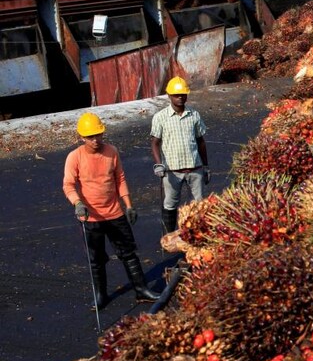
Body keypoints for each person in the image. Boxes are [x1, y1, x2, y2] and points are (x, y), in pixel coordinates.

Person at [63, 112, 160, 307]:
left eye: (98, 135)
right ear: (81, 137)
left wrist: (129, 205)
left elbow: (120, 179)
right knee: (96, 259)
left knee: (129, 252)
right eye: (90, 137)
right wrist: (77, 203)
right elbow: (68, 185)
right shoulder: (75, 157)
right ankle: (101, 295)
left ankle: (141, 290)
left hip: (115, 212)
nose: (95, 140)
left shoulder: (111, 152)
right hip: (90, 217)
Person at [150, 76, 209, 234]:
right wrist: (158, 164)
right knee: (170, 204)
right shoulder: (160, 117)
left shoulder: (194, 115)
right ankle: (170, 235)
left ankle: (201, 235)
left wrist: (206, 166)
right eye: (177, 95)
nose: (180, 97)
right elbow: (155, 142)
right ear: (169, 96)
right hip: (172, 170)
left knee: (199, 204)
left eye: (183, 94)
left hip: (195, 168)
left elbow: (201, 141)